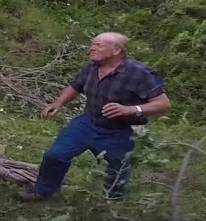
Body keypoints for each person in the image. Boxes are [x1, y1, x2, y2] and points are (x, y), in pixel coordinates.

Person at [18, 32, 171, 203]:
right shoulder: (91, 67)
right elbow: (76, 86)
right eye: (92, 44)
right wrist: (58, 103)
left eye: (99, 45)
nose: (92, 48)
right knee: (56, 155)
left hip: (121, 132)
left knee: (116, 171)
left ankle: (112, 205)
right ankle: (43, 191)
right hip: (88, 123)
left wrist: (130, 109)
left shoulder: (138, 73)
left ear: (116, 50)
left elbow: (163, 104)